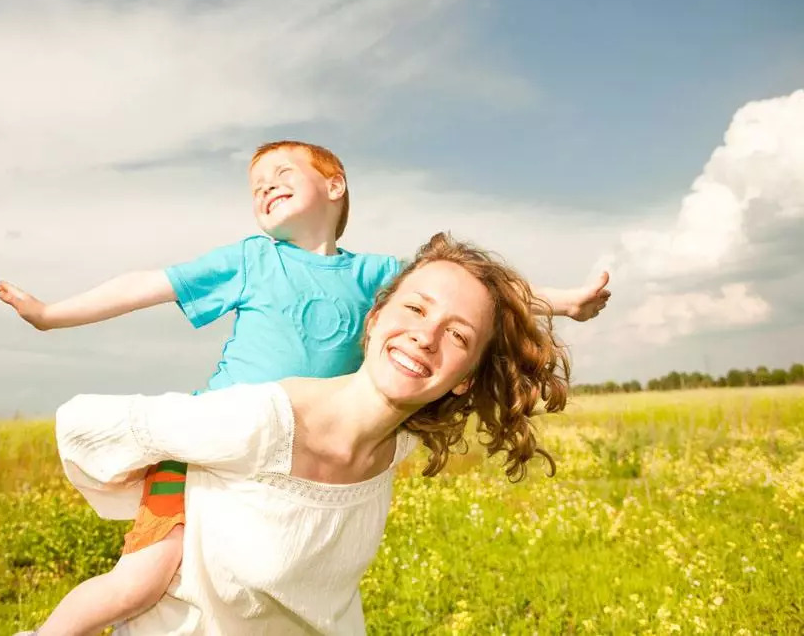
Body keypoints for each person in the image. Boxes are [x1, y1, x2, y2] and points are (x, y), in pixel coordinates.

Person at [0, 142, 607, 634]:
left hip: (303, 458)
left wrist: (567, 303)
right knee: (140, 582)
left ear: (335, 184)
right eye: (255, 185)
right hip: (205, 444)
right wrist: (53, 315)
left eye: (281, 173)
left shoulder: (375, 276)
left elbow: (481, 296)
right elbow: (147, 284)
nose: (263, 187)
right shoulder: (252, 259)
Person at [53, 232, 570, 635]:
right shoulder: (259, 418)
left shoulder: (396, 446)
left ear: (464, 381)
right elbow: (87, 425)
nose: (426, 335)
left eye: (458, 334)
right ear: (373, 319)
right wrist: (174, 491)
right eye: (415, 308)